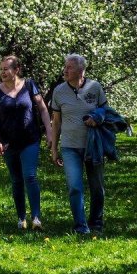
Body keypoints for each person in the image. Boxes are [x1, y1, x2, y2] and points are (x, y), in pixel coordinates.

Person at [0, 55, 53, 230]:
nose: (2, 72)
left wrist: (49, 132)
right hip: (9, 142)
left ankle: (36, 218)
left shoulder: (29, 85)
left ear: (16, 70)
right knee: (16, 180)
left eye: (6, 69)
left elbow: (42, 109)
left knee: (30, 176)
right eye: (1, 69)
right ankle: (21, 218)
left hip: (30, 139)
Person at [50, 54, 108, 235]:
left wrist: (97, 118)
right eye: (65, 67)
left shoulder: (95, 87)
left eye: (70, 68)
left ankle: (96, 222)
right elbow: (56, 122)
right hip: (69, 146)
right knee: (74, 186)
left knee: (97, 186)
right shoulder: (59, 91)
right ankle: (81, 226)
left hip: (93, 145)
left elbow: (106, 110)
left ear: (81, 71)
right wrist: (54, 148)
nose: (65, 70)